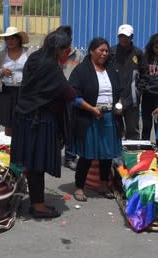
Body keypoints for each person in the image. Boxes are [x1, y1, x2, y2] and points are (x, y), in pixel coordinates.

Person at [11, 29, 94, 218]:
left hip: (25, 116)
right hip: (39, 120)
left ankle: (34, 199)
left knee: (31, 163)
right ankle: (38, 206)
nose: (67, 52)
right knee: (37, 163)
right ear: (58, 48)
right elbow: (67, 92)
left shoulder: (35, 57)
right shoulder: (50, 66)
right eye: (65, 49)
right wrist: (90, 106)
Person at [69, 37, 123, 202]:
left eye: (107, 51)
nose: (105, 53)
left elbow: (119, 92)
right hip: (90, 117)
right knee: (87, 154)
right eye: (101, 50)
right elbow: (74, 96)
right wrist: (92, 109)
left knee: (106, 155)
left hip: (109, 117)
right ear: (92, 51)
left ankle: (103, 185)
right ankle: (79, 187)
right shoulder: (81, 71)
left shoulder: (111, 70)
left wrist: (120, 104)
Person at [0, 26, 29, 136]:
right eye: (7, 39)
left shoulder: (28, 53)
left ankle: (22, 146)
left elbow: (34, 69)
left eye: (12, 38)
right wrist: (2, 71)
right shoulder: (2, 54)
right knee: (8, 121)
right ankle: (9, 147)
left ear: (19, 39)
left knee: (23, 120)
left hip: (23, 91)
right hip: (6, 91)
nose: (10, 41)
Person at [109, 24, 143, 139]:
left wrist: (138, 91)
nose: (123, 39)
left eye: (126, 36)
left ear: (131, 37)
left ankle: (132, 155)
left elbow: (145, 74)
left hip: (132, 98)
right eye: (121, 36)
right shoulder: (111, 52)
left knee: (132, 131)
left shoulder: (138, 53)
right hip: (114, 97)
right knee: (115, 130)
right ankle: (116, 156)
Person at [57, 25, 83, 170]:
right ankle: (54, 155)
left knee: (71, 128)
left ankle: (70, 156)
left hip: (71, 97)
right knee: (55, 127)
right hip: (55, 97)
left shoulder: (77, 55)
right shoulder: (51, 55)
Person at [138, 33, 158, 142]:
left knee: (157, 124)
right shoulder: (146, 57)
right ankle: (144, 149)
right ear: (152, 46)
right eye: (156, 47)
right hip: (147, 94)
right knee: (146, 125)